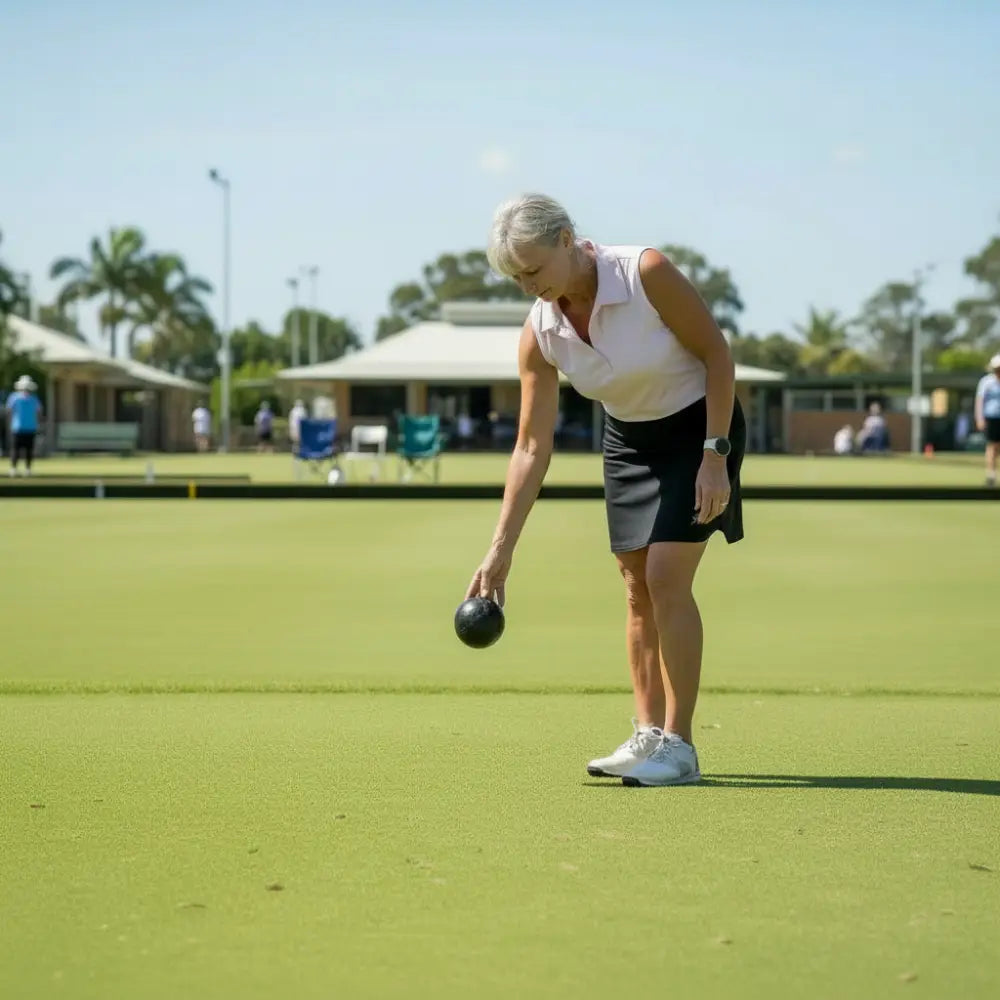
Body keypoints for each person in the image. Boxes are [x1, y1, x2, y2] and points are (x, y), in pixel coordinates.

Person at [465, 193, 746, 788]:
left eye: (533, 269)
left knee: (667, 576)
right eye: (515, 278)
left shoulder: (646, 273)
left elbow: (717, 356)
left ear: (566, 238)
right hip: (628, 440)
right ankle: (646, 735)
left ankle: (681, 745)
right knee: (636, 586)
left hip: (700, 427)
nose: (528, 287)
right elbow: (531, 448)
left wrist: (715, 455)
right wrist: (500, 550)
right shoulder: (540, 330)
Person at [5, 374, 43, 477]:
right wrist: (9, 424)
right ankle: (13, 469)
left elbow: (39, 413)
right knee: (15, 449)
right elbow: (9, 411)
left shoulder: (34, 399)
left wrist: (40, 425)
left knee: (29, 450)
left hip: (30, 428)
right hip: (17, 428)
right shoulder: (14, 398)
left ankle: (28, 469)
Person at [975, 354, 1000, 486]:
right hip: (991, 417)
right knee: (992, 446)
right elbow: (980, 401)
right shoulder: (986, 382)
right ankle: (991, 475)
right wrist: (979, 418)